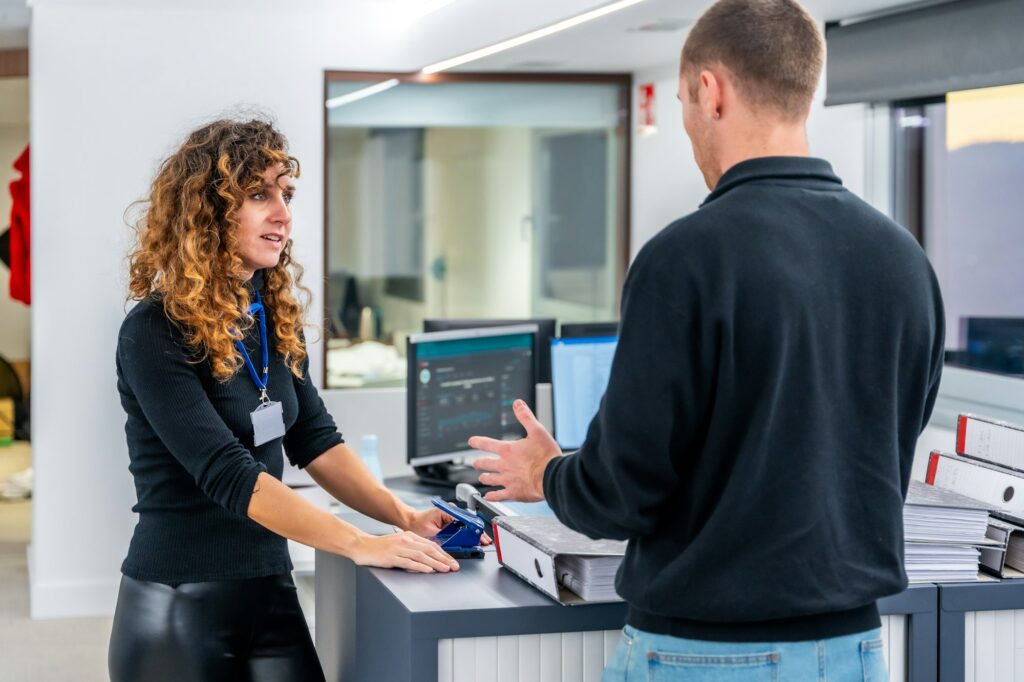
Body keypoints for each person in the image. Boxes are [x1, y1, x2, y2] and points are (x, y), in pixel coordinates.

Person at [470, 0, 944, 679]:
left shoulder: (685, 258)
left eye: (686, 102)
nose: (688, 126)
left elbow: (620, 493)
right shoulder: (904, 260)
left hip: (705, 653)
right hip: (857, 652)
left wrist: (545, 471)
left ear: (711, 91)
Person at [108, 118, 461, 682]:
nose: (283, 213)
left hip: (268, 588)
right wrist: (358, 543)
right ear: (206, 208)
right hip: (180, 604)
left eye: (286, 193)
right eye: (258, 194)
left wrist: (405, 517)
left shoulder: (266, 318)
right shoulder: (155, 331)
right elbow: (229, 474)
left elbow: (315, 439)